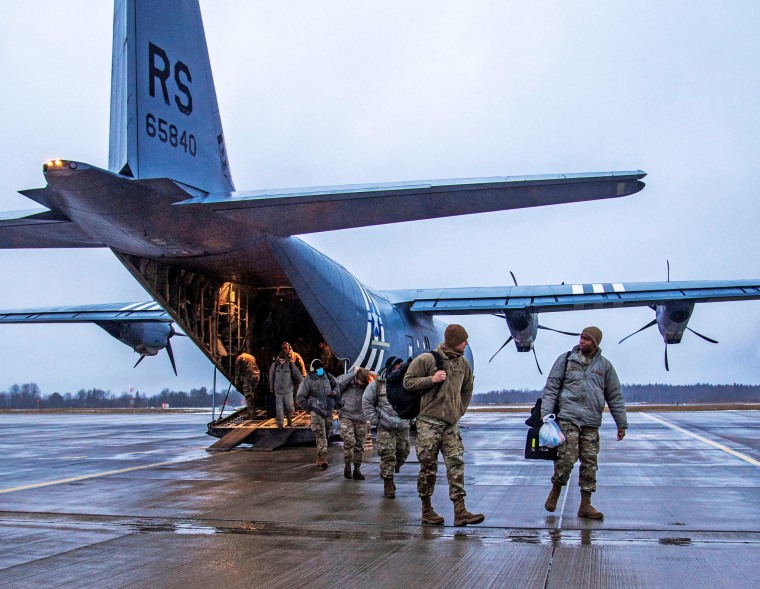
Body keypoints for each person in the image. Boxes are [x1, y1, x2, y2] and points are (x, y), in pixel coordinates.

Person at [541, 326, 628, 519]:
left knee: (589, 463)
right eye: (581, 338)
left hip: (590, 421)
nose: (582, 341)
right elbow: (552, 386)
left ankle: (586, 504)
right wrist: (546, 413)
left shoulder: (604, 366)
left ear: (595, 343)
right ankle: (556, 489)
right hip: (568, 418)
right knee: (566, 460)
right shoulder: (566, 361)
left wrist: (621, 423)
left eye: (587, 339)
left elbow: (614, 395)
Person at [403, 324, 484, 527]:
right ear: (455, 342)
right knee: (428, 467)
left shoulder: (463, 364)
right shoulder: (427, 359)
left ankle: (460, 510)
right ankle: (426, 509)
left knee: (456, 464)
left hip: (450, 424)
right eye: (464, 340)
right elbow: (408, 382)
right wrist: (431, 379)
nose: (466, 343)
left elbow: (467, 390)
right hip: (428, 422)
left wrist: (460, 410)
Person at [363, 356, 410, 499]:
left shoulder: (406, 383)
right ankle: (388, 483)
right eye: (396, 366)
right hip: (385, 426)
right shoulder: (377, 384)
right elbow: (367, 402)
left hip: (402, 425)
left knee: (403, 452)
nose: (399, 369)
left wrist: (412, 417)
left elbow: (415, 400)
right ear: (390, 368)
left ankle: (394, 467)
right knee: (387, 455)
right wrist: (376, 420)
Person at [296, 359, 339, 468]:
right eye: (317, 369)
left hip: (328, 411)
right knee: (321, 434)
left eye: (321, 368)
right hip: (316, 411)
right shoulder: (308, 381)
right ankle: (323, 458)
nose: (320, 370)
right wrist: (309, 408)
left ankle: (320, 455)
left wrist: (335, 393)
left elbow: (336, 386)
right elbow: (300, 397)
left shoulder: (328, 377)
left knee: (327, 433)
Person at [336, 367, 372, 480]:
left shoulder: (367, 385)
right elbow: (338, 382)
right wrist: (353, 373)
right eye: (360, 382)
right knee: (349, 441)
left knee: (359, 445)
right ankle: (347, 465)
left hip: (361, 417)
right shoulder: (347, 382)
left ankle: (357, 469)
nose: (361, 384)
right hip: (347, 416)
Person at [269, 350, 303, 429]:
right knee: (279, 409)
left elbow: (298, 375)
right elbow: (271, 378)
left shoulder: (291, 365)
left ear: (286, 359)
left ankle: (289, 421)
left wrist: (303, 384)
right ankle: (280, 425)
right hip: (278, 391)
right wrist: (271, 389)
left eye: (283, 360)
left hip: (288, 391)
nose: (281, 362)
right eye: (280, 360)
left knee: (289, 407)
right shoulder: (274, 366)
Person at [233, 351, 260, 419]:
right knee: (253, 395)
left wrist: (237, 383)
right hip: (257, 376)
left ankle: (250, 415)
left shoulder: (240, 358)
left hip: (249, 377)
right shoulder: (251, 357)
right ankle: (252, 412)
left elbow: (237, 372)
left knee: (248, 395)